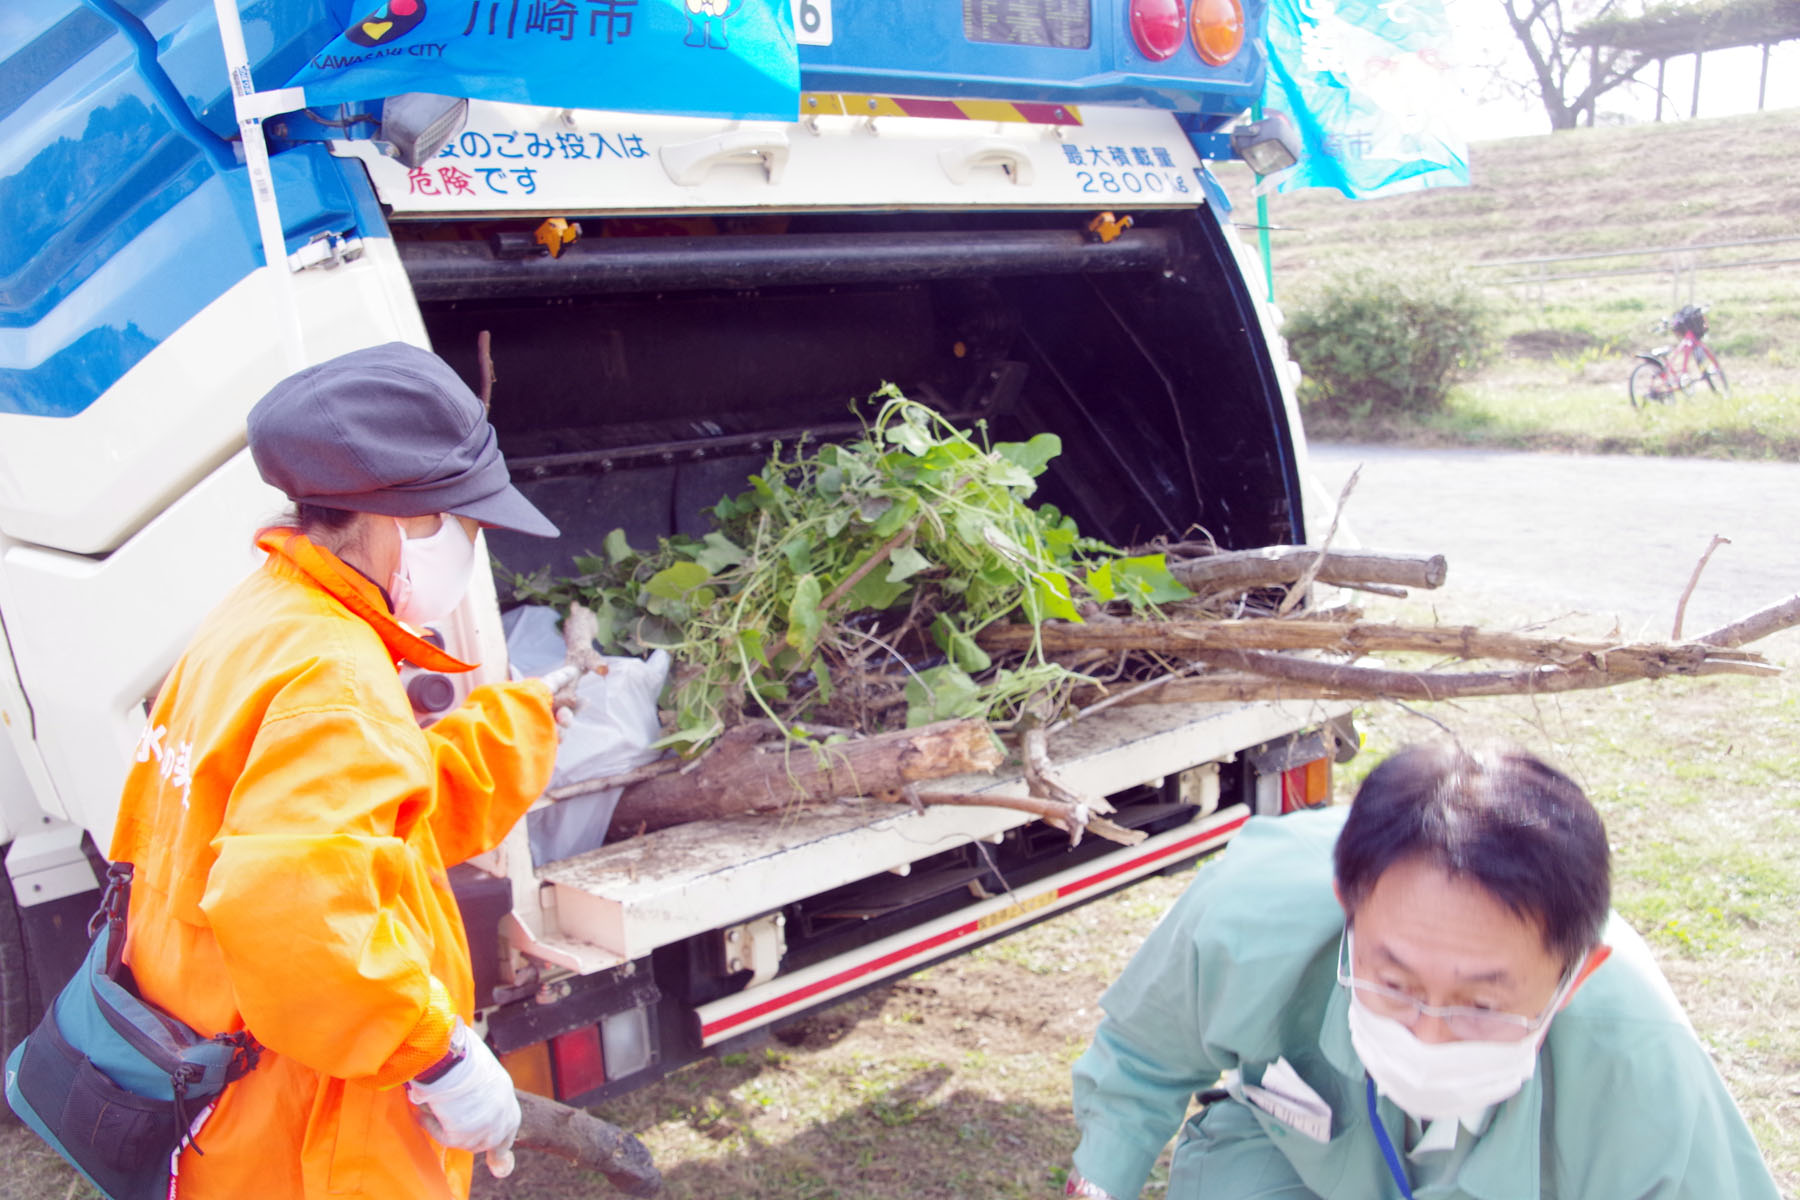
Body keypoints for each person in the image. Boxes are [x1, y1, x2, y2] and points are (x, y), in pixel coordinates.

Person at [107, 342, 565, 1199]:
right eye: (464, 520)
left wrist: (521, 721)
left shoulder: (267, 617)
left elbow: (356, 833)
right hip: (305, 1127)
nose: (470, 544)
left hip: (219, 1095)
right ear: (403, 519)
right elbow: (294, 911)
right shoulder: (336, 674)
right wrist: (437, 1056)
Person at [1066, 741, 1780, 1199]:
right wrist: (1097, 1186)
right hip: (1296, 1167)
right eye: (1395, 984)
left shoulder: (1643, 1065)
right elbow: (1140, 1062)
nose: (1428, 1039)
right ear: (1348, 907)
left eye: (1482, 1004)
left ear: (1577, 976)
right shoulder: (1247, 916)